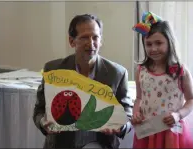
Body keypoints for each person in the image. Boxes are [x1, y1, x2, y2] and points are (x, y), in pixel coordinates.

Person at [33, 14, 133, 149]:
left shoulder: (117, 73)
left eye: (95, 37)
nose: (91, 43)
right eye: (84, 37)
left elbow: (127, 112)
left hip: (101, 144)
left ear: (101, 40)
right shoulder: (53, 70)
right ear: (72, 41)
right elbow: (39, 109)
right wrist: (43, 122)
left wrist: (121, 126)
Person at [131, 11, 193, 148]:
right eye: (148, 44)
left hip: (171, 131)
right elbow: (139, 98)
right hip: (147, 130)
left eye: (159, 43)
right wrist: (136, 113)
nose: (153, 48)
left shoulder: (180, 71)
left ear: (169, 42)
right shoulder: (140, 70)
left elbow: (191, 100)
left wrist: (178, 115)